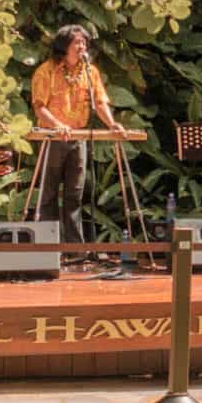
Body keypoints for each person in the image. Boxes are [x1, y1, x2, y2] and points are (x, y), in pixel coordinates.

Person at [30, 25, 126, 250]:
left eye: (84, 43)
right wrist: (58, 125)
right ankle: (47, 248)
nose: (82, 47)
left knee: (74, 195)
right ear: (64, 46)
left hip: (79, 138)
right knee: (49, 194)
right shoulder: (46, 71)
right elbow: (39, 108)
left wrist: (112, 124)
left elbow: (100, 102)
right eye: (77, 43)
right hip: (53, 139)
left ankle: (75, 250)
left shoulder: (90, 72)